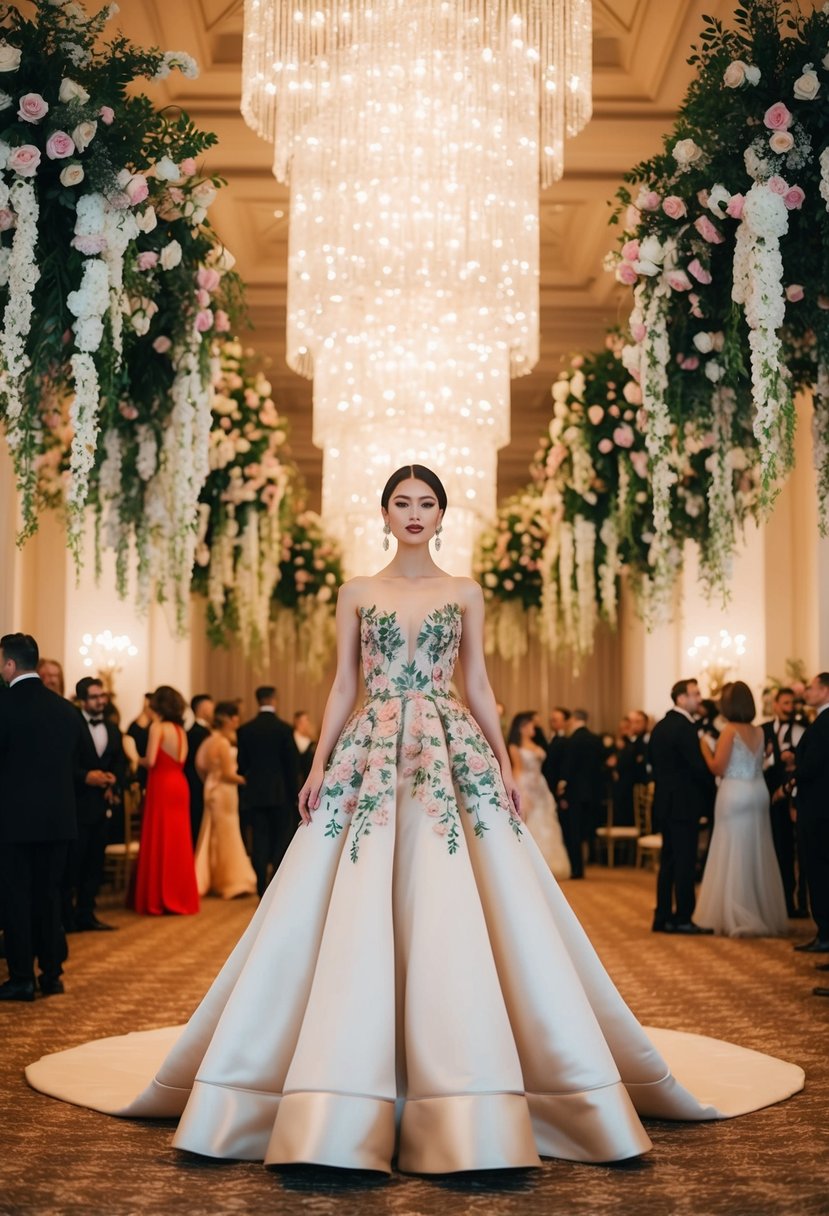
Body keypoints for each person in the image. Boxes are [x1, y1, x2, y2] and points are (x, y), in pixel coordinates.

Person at [25, 467, 804, 1172]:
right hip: (367, 746)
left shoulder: (463, 590)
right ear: (383, 512)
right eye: (402, 503)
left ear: (441, 514)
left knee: (457, 891)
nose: (414, 514)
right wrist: (320, 762)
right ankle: (336, 1073)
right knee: (350, 890)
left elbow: (479, 684)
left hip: (446, 744)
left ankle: (469, 1071)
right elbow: (340, 684)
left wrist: (500, 762)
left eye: (426, 503)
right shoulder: (356, 591)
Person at [0, 634, 83, 1001]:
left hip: (13, 821)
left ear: (10, 664)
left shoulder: (3, 706)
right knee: (49, 897)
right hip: (58, 821)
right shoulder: (66, 710)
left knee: (16, 898)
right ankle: (52, 974)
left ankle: (22, 978)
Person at [693, 682, 788, 938]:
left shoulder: (729, 731)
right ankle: (759, 909)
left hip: (735, 794)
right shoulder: (758, 731)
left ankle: (734, 913)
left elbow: (718, 768)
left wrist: (704, 747)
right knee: (755, 850)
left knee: (731, 850)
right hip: (758, 792)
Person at [649, 679, 715, 935]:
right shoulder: (685, 727)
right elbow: (697, 767)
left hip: (665, 804)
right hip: (684, 805)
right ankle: (683, 917)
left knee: (669, 861)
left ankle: (662, 916)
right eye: (695, 694)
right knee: (685, 862)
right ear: (680, 699)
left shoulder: (661, 726)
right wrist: (713, 792)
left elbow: (653, 764)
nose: (699, 698)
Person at [65, 677, 126, 932]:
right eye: (94, 697)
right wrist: (84, 776)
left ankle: (87, 913)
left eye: (102, 696)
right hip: (76, 805)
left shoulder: (112, 728)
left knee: (94, 863)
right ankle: (65, 918)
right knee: (72, 864)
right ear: (82, 700)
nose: (100, 701)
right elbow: (63, 762)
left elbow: (121, 762)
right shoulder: (70, 724)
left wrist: (115, 780)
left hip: (102, 806)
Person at [132, 687, 199, 917]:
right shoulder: (180, 730)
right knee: (178, 839)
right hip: (179, 784)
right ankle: (180, 896)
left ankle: (159, 898)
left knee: (160, 836)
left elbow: (150, 761)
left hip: (161, 784)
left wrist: (132, 755)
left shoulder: (158, 727)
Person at [236, 686, 299, 898]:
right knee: (280, 838)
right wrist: (294, 794)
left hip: (255, 793)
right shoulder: (283, 729)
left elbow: (242, 764)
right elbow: (292, 765)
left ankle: (261, 885)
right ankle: (275, 886)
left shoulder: (245, 730)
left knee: (259, 840)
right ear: (274, 699)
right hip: (280, 793)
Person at [193, 702, 256, 900]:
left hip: (212, 789)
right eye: (234, 717)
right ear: (227, 721)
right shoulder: (222, 743)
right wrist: (248, 780)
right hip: (225, 792)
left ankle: (212, 877)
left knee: (213, 833)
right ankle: (230, 880)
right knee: (227, 833)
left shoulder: (208, 741)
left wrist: (210, 780)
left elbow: (199, 766)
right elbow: (229, 774)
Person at [762, 687, 808, 918]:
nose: (790, 708)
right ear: (776, 705)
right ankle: (780, 900)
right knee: (779, 849)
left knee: (802, 850)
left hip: (797, 797)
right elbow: (755, 764)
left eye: (793, 703)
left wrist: (795, 761)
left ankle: (800, 901)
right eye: (785, 703)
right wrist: (771, 758)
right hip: (770, 798)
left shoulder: (803, 730)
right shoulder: (763, 731)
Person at [508, 711, 570, 879]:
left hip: (541, 786)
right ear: (522, 727)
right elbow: (518, 769)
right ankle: (532, 866)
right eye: (531, 725)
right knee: (532, 822)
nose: (534, 728)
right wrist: (520, 792)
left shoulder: (536, 742)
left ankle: (552, 865)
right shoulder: (514, 746)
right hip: (527, 785)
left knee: (547, 821)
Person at [792, 672, 829, 958]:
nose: (807, 691)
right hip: (817, 807)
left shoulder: (825, 723)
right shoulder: (820, 720)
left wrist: (791, 779)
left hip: (819, 810)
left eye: (812, 688)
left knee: (819, 871)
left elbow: (814, 766)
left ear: (826, 691)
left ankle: (825, 933)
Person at [556, 709, 604, 877]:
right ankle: (586, 862)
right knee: (585, 830)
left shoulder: (573, 740)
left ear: (575, 719)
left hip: (575, 793)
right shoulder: (596, 740)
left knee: (573, 832)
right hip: (592, 792)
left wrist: (562, 791)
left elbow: (568, 769)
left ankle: (577, 869)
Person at [185, 694, 214, 846]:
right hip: (198, 786)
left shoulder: (200, 731)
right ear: (203, 709)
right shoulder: (197, 733)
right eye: (211, 706)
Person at [293, 710, 317, 786]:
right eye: (306, 720)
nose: (307, 723)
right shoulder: (291, 738)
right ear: (298, 722)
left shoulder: (309, 741)